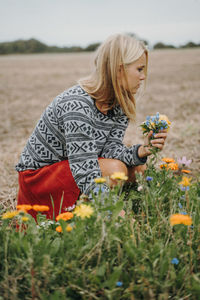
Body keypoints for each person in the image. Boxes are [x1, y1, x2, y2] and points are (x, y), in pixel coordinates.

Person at [15, 33, 167, 220]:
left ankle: (104, 212)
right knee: (116, 171)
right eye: (139, 69)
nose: (143, 77)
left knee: (138, 171)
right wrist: (113, 212)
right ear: (119, 70)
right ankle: (85, 221)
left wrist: (142, 150)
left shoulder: (118, 103)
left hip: (72, 167)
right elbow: (85, 169)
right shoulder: (78, 105)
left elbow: (110, 150)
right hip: (40, 178)